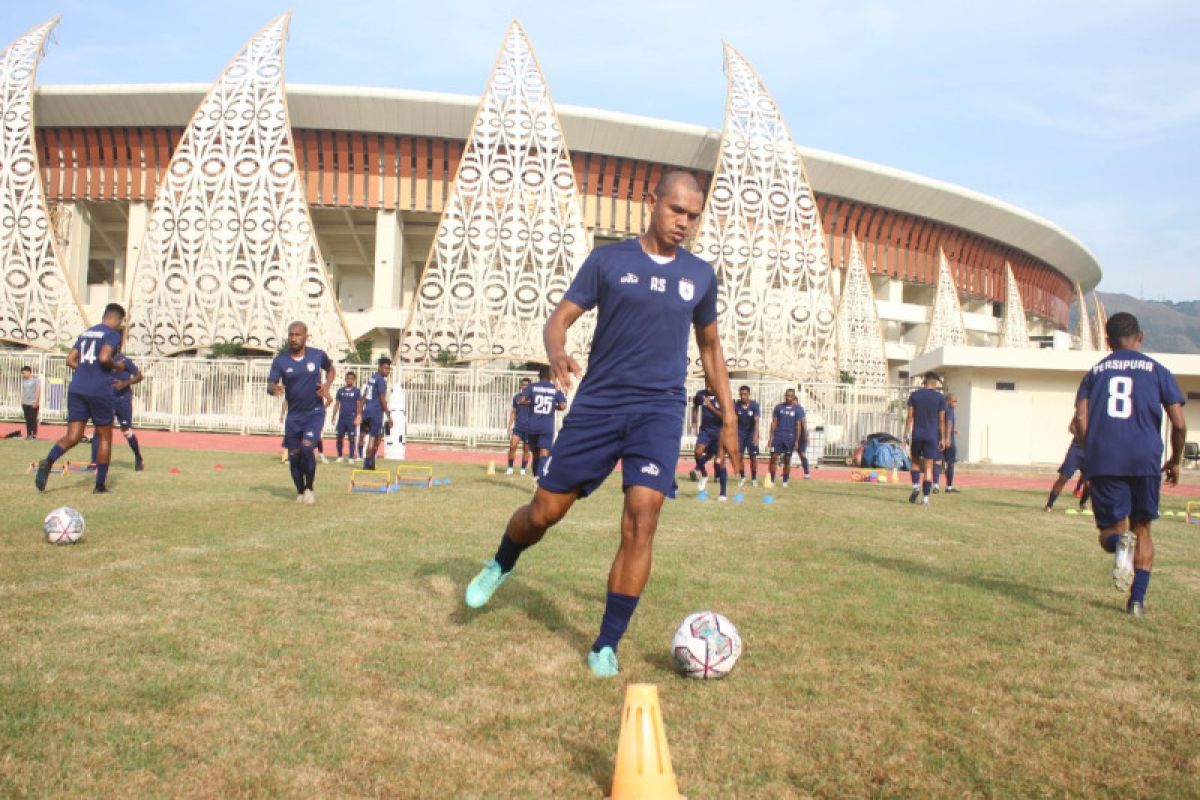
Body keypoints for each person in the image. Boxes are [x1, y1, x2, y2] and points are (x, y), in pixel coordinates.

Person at [463, 171, 740, 678]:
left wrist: (729, 418)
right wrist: (555, 352)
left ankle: (605, 644)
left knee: (642, 518)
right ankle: (501, 562)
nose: (684, 223)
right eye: (676, 210)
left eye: (693, 216)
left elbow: (710, 348)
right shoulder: (609, 260)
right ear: (650, 201)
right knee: (544, 513)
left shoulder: (700, 275)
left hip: (659, 408)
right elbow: (559, 319)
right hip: (599, 404)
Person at [1074, 312, 1186, 617]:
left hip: (1106, 458)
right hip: (1145, 460)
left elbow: (1081, 419)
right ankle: (1136, 601)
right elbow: (1178, 423)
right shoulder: (1158, 370)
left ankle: (1118, 545)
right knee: (1143, 529)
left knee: (1110, 531)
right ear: (1141, 336)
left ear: (1108, 341)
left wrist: (1090, 451)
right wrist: (1175, 461)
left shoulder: (1095, 372)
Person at [34, 303, 130, 494]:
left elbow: (70, 360)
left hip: (77, 387)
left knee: (73, 435)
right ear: (117, 319)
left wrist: (86, 371)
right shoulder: (111, 334)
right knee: (104, 436)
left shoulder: (87, 333)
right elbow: (104, 358)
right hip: (98, 390)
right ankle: (100, 486)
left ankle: (49, 460)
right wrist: (116, 366)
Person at [267, 322, 335, 504]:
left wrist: (326, 386)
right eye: (291, 335)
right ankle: (300, 491)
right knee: (294, 456)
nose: (293, 338)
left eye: (297, 335)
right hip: (294, 416)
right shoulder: (281, 360)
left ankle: (310, 488)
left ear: (306, 337)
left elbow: (331, 369)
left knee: (307, 448)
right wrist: (274, 388)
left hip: (314, 413)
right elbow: (270, 384)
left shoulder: (317, 355)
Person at [90, 357, 145, 470]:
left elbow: (139, 376)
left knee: (126, 432)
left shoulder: (125, 361)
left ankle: (138, 457)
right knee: (99, 429)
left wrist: (125, 384)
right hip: (107, 399)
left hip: (123, 399)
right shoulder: (102, 360)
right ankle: (94, 463)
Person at [904, 371, 947, 508]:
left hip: (917, 434)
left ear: (924, 381)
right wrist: (943, 438)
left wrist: (906, 435)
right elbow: (941, 420)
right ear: (935, 383)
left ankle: (916, 487)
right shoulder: (940, 398)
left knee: (915, 462)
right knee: (928, 466)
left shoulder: (915, 395)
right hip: (932, 436)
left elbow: (910, 417)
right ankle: (926, 499)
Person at [522, 367, 566, 480]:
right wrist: (553, 407)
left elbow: (522, 400)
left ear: (539, 375)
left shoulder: (532, 387)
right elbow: (562, 406)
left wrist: (531, 404)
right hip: (546, 426)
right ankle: (539, 478)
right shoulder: (555, 389)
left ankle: (536, 476)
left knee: (535, 454)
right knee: (544, 452)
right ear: (551, 377)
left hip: (532, 425)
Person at [357, 356, 392, 471]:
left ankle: (371, 463)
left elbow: (364, 395)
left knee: (377, 437)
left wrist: (360, 413)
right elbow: (382, 399)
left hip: (367, 411)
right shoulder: (381, 380)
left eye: (389, 369)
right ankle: (367, 464)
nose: (387, 371)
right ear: (380, 367)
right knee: (373, 438)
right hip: (375, 413)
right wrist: (389, 416)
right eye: (385, 368)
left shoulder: (372, 378)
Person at [1044, 427, 1090, 513]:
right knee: (1063, 477)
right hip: (1076, 449)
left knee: (1090, 483)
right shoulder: (1082, 414)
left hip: (1091, 452)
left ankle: (1082, 503)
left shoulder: (1101, 416)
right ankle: (1049, 505)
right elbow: (1072, 428)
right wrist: (1082, 429)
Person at [690, 386, 723, 492]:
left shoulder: (721, 395)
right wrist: (694, 421)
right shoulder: (701, 394)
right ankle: (704, 474)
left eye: (710, 384)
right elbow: (694, 406)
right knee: (698, 452)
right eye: (707, 384)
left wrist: (711, 407)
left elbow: (725, 416)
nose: (708, 387)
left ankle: (720, 486)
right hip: (705, 431)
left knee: (714, 457)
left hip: (718, 432)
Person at [767, 388, 802, 487]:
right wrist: (770, 438)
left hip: (790, 438)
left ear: (794, 397)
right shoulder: (778, 407)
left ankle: (785, 481)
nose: (788, 398)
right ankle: (772, 480)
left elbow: (798, 426)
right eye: (787, 395)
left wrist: (796, 441)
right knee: (773, 458)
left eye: (790, 396)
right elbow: (774, 423)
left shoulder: (797, 409)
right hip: (778, 436)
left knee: (787, 460)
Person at [332, 372, 362, 462]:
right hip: (342, 418)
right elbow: (337, 404)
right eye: (348, 378)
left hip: (351, 418)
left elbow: (358, 405)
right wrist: (333, 415)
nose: (349, 380)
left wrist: (358, 416)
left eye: (351, 379)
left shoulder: (356, 391)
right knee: (339, 437)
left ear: (354, 380)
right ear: (345, 379)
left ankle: (351, 457)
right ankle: (340, 456)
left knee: (352, 438)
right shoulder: (340, 391)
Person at [506, 377, 533, 475]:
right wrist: (509, 426)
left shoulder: (533, 398)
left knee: (526, 449)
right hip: (518, 427)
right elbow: (514, 412)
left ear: (530, 386)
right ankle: (509, 468)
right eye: (523, 385)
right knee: (512, 446)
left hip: (529, 428)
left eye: (527, 385)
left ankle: (523, 469)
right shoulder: (516, 397)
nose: (524, 386)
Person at [735, 385, 760, 487]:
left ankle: (754, 478)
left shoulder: (754, 405)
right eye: (741, 394)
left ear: (749, 394)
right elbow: (735, 420)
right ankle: (742, 477)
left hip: (751, 434)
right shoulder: (737, 405)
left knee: (753, 457)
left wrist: (755, 435)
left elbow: (757, 421)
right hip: (740, 434)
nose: (743, 396)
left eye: (745, 394)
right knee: (739, 457)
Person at [934, 393, 960, 493]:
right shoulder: (949, 410)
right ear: (948, 401)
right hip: (948, 441)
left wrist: (953, 430)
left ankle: (936, 485)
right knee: (950, 463)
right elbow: (948, 423)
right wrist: (948, 438)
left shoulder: (940, 410)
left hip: (939, 439)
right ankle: (949, 487)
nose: (956, 404)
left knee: (937, 462)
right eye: (954, 401)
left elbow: (942, 424)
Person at [793, 395, 812, 480]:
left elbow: (803, 423)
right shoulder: (787, 409)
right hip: (791, 434)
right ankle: (785, 473)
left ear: (796, 401)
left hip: (801, 435)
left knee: (802, 454)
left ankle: (807, 473)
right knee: (787, 454)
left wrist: (806, 435)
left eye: (794, 401)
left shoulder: (799, 409)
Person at [19, 365, 40, 439]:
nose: (23, 374)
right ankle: (28, 434)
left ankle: (33, 434)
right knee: (27, 419)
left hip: (33, 403)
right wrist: (22, 400)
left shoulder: (35, 380)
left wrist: (36, 401)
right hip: (25, 403)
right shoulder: (24, 380)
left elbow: (38, 390)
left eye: (24, 372)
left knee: (33, 419)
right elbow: (24, 391)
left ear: (28, 371)